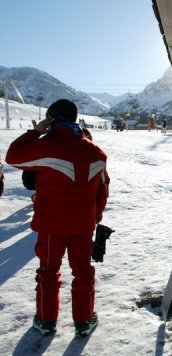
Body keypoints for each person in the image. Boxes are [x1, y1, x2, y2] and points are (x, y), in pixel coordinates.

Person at [5, 99, 110, 338]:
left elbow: (13, 157)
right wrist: (95, 215)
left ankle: (46, 320)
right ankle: (84, 321)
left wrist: (35, 132)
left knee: (48, 271)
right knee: (83, 271)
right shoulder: (96, 152)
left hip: (52, 225)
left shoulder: (47, 145)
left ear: (51, 119)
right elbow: (103, 187)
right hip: (83, 225)